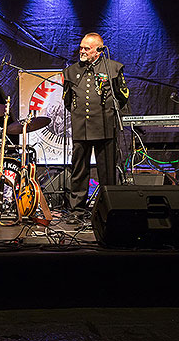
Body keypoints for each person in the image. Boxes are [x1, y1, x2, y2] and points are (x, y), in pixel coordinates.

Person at [62, 32, 129, 222]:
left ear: (98, 50)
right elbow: (68, 100)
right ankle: (77, 211)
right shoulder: (71, 71)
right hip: (81, 127)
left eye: (87, 48)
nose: (82, 51)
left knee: (107, 172)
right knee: (79, 172)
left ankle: (109, 209)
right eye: (81, 47)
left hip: (105, 127)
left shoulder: (113, 69)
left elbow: (122, 96)